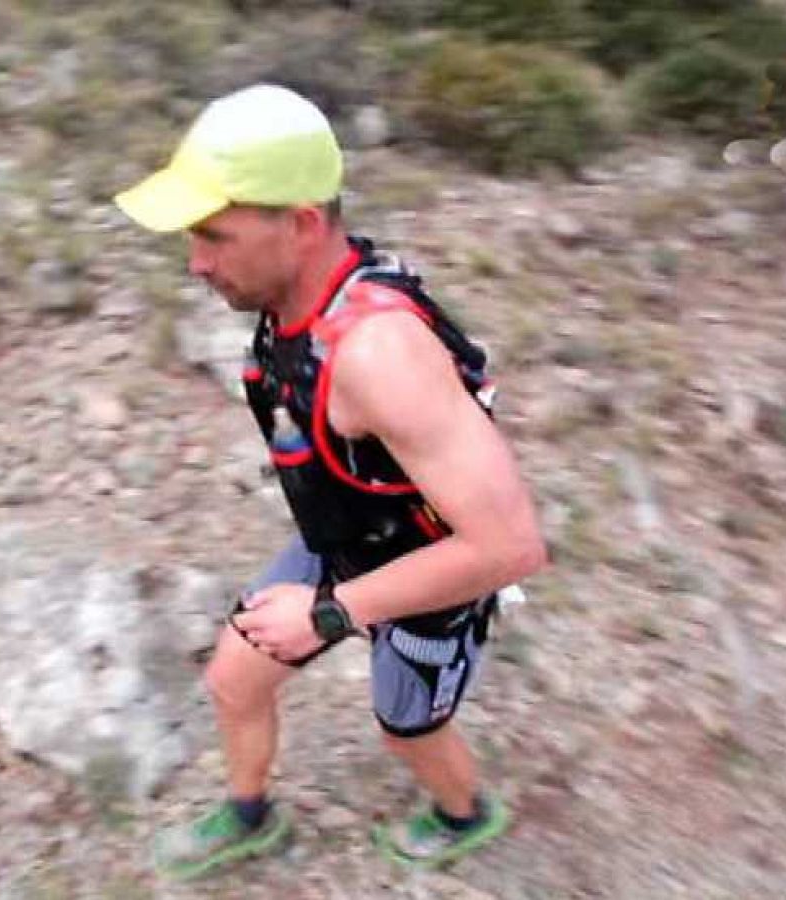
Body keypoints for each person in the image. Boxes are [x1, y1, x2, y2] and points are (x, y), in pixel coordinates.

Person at [113, 84, 549, 880]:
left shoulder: (381, 355)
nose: (195, 263)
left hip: (433, 575)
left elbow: (511, 545)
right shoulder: (292, 297)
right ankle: (250, 816)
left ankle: (465, 814)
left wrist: (331, 614)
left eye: (214, 236)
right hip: (344, 542)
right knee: (232, 680)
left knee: (407, 728)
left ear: (304, 224)